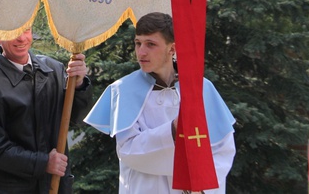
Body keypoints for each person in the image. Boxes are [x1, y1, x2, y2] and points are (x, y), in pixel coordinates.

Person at [84, 12, 236, 193]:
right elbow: (128, 151)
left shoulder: (201, 89)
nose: (141, 52)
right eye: (138, 43)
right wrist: (172, 130)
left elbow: (222, 147)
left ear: (172, 49)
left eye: (151, 44)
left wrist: (202, 185)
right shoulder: (123, 90)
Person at [0, 28, 92, 194]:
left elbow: (75, 118)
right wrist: (43, 163)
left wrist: (78, 85)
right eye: (13, 32)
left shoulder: (53, 70)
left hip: (55, 186)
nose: (21, 38)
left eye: (26, 30)